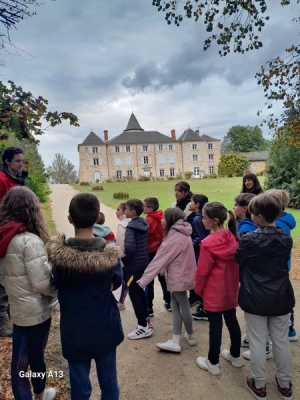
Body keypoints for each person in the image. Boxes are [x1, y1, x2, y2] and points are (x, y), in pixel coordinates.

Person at [47, 192, 124, 400]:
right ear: (98, 217)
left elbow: (55, 282)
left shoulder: (59, 259)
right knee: (109, 384)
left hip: (74, 331)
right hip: (105, 327)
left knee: (80, 388)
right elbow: (116, 282)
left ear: (70, 218)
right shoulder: (110, 257)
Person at [0, 186, 57, 400]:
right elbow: (42, 282)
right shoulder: (29, 240)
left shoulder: (3, 237)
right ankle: (39, 395)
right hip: (37, 310)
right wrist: (58, 291)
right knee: (35, 357)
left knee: (20, 361)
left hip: (17, 307)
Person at [236, 193, 294, 400]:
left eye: (252, 214)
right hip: (280, 294)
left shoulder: (250, 239)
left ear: (258, 216)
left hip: (256, 295)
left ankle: (259, 383)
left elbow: (238, 258)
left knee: (258, 341)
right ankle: (284, 383)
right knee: (280, 340)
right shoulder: (285, 237)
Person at [138, 208, 197, 353]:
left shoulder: (173, 238)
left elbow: (158, 261)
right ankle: (189, 337)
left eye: (163, 218)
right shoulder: (182, 233)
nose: (161, 220)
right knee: (177, 305)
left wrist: (142, 281)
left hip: (178, 277)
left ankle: (178, 340)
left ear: (170, 220)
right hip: (182, 275)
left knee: (181, 307)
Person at [195, 202, 242, 375]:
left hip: (214, 290)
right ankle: (236, 356)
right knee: (232, 321)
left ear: (214, 220)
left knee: (215, 326)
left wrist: (198, 290)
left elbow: (202, 271)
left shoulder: (208, 243)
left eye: (204, 218)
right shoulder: (232, 236)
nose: (202, 221)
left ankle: (213, 362)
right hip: (230, 287)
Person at [0, 146, 28, 338]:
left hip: (16, 230)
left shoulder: (17, 179)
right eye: (17, 161)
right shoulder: (2, 180)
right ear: (7, 161)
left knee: (12, 272)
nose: (21, 164)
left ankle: (9, 312)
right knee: (3, 274)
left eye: (22, 161)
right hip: (5, 231)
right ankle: (2, 319)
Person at [265, 188, 297, 342]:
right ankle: (287, 329)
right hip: (282, 265)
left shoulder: (278, 224)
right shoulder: (284, 221)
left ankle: (288, 329)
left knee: (280, 296)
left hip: (276, 266)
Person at [122, 199, 152, 340]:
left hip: (133, 266)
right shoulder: (143, 223)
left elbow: (129, 248)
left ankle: (142, 326)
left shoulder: (131, 227)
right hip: (143, 264)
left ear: (132, 211)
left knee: (134, 292)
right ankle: (145, 319)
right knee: (139, 290)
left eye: (126, 209)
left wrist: (124, 261)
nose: (125, 211)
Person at [143, 197, 171, 316]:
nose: (142, 208)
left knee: (149, 279)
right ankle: (168, 301)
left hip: (150, 251)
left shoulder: (148, 220)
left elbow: (146, 237)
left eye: (144, 206)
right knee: (163, 277)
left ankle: (149, 307)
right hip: (161, 251)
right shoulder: (163, 217)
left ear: (150, 208)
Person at [188, 194, 210, 321]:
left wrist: (189, 243)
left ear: (197, 204)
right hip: (201, 251)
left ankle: (204, 307)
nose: (189, 204)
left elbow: (200, 238)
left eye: (191, 202)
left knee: (200, 278)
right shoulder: (202, 216)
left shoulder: (197, 219)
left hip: (198, 252)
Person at [115, 202, 131, 310]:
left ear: (125, 211)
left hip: (125, 257)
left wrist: (119, 258)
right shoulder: (133, 222)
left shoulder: (122, 225)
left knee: (125, 279)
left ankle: (121, 302)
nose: (116, 212)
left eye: (118, 210)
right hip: (136, 256)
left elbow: (120, 244)